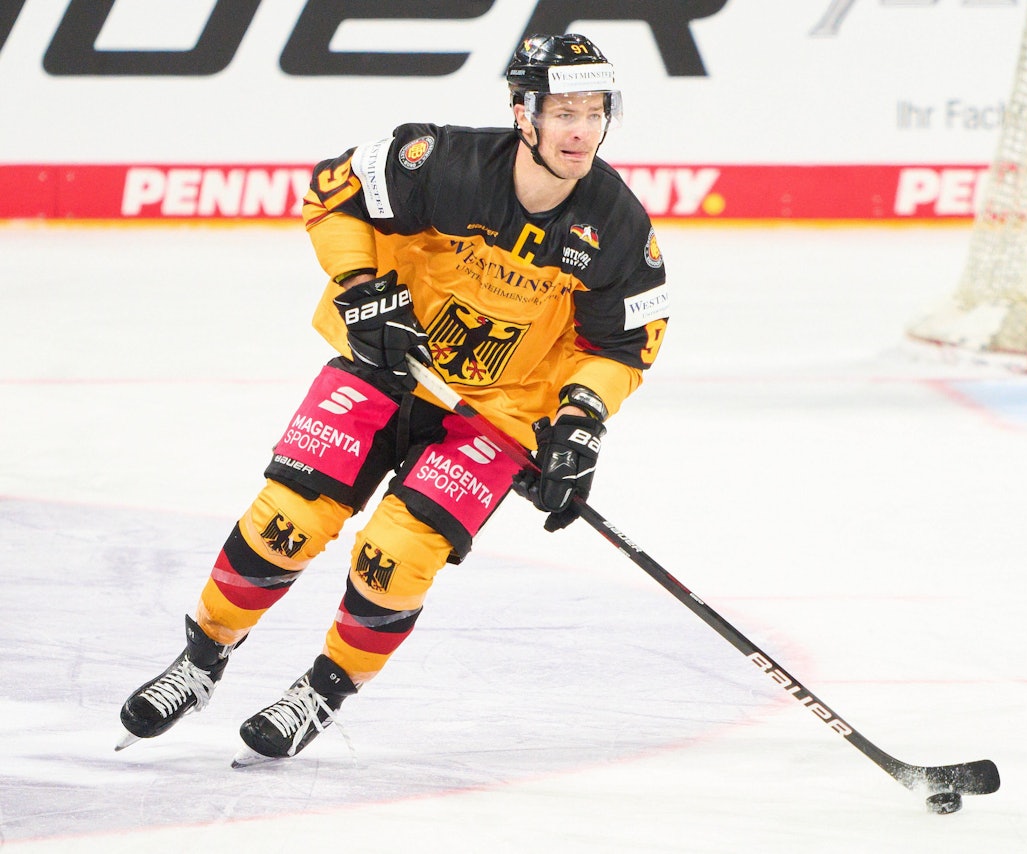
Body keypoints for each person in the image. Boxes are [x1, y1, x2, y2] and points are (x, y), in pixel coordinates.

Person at [117, 32, 670, 766]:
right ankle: (201, 660)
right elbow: (331, 194)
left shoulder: (618, 228)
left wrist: (578, 424)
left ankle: (322, 689)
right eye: (562, 110)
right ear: (521, 113)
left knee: (397, 553)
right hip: (385, 367)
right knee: (287, 518)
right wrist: (360, 292)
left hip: (495, 412)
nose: (580, 130)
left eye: (595, 111)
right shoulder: (440, 162)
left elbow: (622, 344)